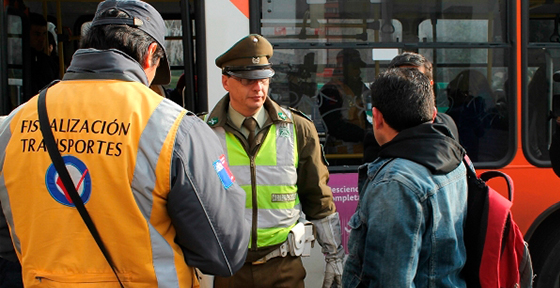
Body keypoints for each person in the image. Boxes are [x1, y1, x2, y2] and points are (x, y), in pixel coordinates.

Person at [0, 0, 249, 286]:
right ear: (151, 55)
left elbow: (6, 239)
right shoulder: (175, 128)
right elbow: (224, 252)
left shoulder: (13, 124)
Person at [205, 34, 344, 288]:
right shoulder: (202, 132)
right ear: (226, 81)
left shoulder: (297, 129)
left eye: (264, 78)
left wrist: (335, 257)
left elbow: (319, 199)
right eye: (248, 79)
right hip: (227, 270)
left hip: (284, 269)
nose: (258, 87)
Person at [342, 68, 468, 287]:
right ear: (434, 114)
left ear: (377, 117)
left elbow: (390, 279)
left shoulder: (396, 183)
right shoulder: (458, 160)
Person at [363, 51, 459, 163]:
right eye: (401, 81)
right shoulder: (381, 132)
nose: (409, 86)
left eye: (417, 79)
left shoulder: (447, 124)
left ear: (430, 85)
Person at [318, 48, 370, 158]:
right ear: (344, 68)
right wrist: (364, 135)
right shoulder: (331, 90)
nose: (358, 71)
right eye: (355, 68)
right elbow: (334, 126)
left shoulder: (356, 90)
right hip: (339, 156)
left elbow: (362, 119)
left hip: (359, 154)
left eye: (359, 68)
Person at [26, 12, 59, 101]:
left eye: (44, 34)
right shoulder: (22, 60)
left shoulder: (49, 62)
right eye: (37, 34)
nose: (41, 39)